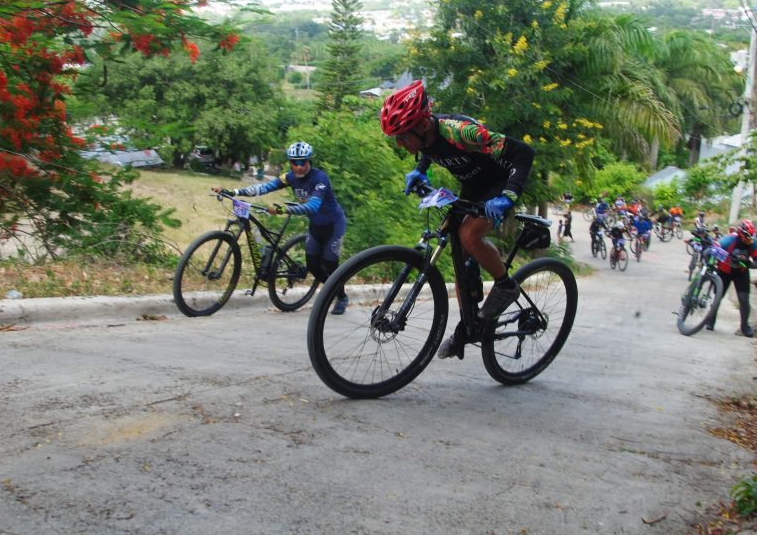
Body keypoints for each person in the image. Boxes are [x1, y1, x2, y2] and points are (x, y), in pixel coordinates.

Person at [380, 80, 534, 360]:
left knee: (469, 235)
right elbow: (430, 150)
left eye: (402, 137)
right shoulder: (425, 135)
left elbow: (524, 154)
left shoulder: (461, 132)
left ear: (423, 124)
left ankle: (505, 286)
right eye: (396, 139)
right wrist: (420, 170)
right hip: (473, 185)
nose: (400, 144)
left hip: (500, 182)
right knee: (459, 252)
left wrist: (508, 197)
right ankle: (469, 323)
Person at [212, 141, 350, 314]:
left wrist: (284, 209)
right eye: (294, 162)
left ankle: (342, 296)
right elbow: (263, 187)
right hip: (316, 225)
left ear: (309, 162)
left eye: (302, 162)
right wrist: (234, 192)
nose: (298, 167)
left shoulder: (320, 178)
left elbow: (313, 206)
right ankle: (332, 291)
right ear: (290, 162)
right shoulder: (289, 177)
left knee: (330, 264)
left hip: (334, 225)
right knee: (313, 266)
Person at [706, 219, 757, 337]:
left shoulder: (755, 243)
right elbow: (712, 251)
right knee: (718, 296)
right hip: (724, 271)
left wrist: (749, 264)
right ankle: (711, 320)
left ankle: (744, 326)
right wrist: (710, 263)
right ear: (741, 234)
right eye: (747, 237)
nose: (750, 241)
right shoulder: (728, 240)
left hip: (741, 272)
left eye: (752, 237)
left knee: (744, 300)